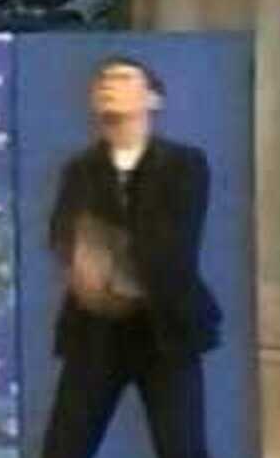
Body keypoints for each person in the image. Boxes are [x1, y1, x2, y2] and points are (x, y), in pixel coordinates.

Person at [42, 56, 219, 458]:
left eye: (123, 77)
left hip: (166, 328)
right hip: (95, 328)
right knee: (63, 447)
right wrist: (83, 259)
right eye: (102, 79)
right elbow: (62, 234)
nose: (108, 84)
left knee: (183, 448)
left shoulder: (184, 164)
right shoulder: (79, 170)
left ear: (153, 98)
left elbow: (174, 244)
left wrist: (103, 254)